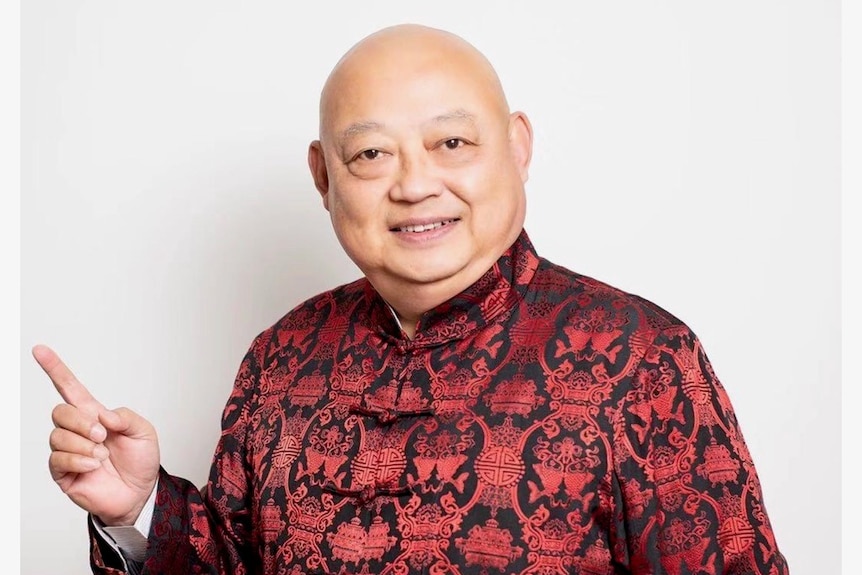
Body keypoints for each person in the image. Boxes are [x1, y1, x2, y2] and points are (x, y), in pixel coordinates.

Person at [35, 23, 789, 575]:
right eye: (370, 154)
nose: (414, 183)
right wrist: (134, 509)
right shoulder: (281, 357)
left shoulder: (639, 358)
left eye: (451, 144)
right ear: (323, 178)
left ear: (517, 147)